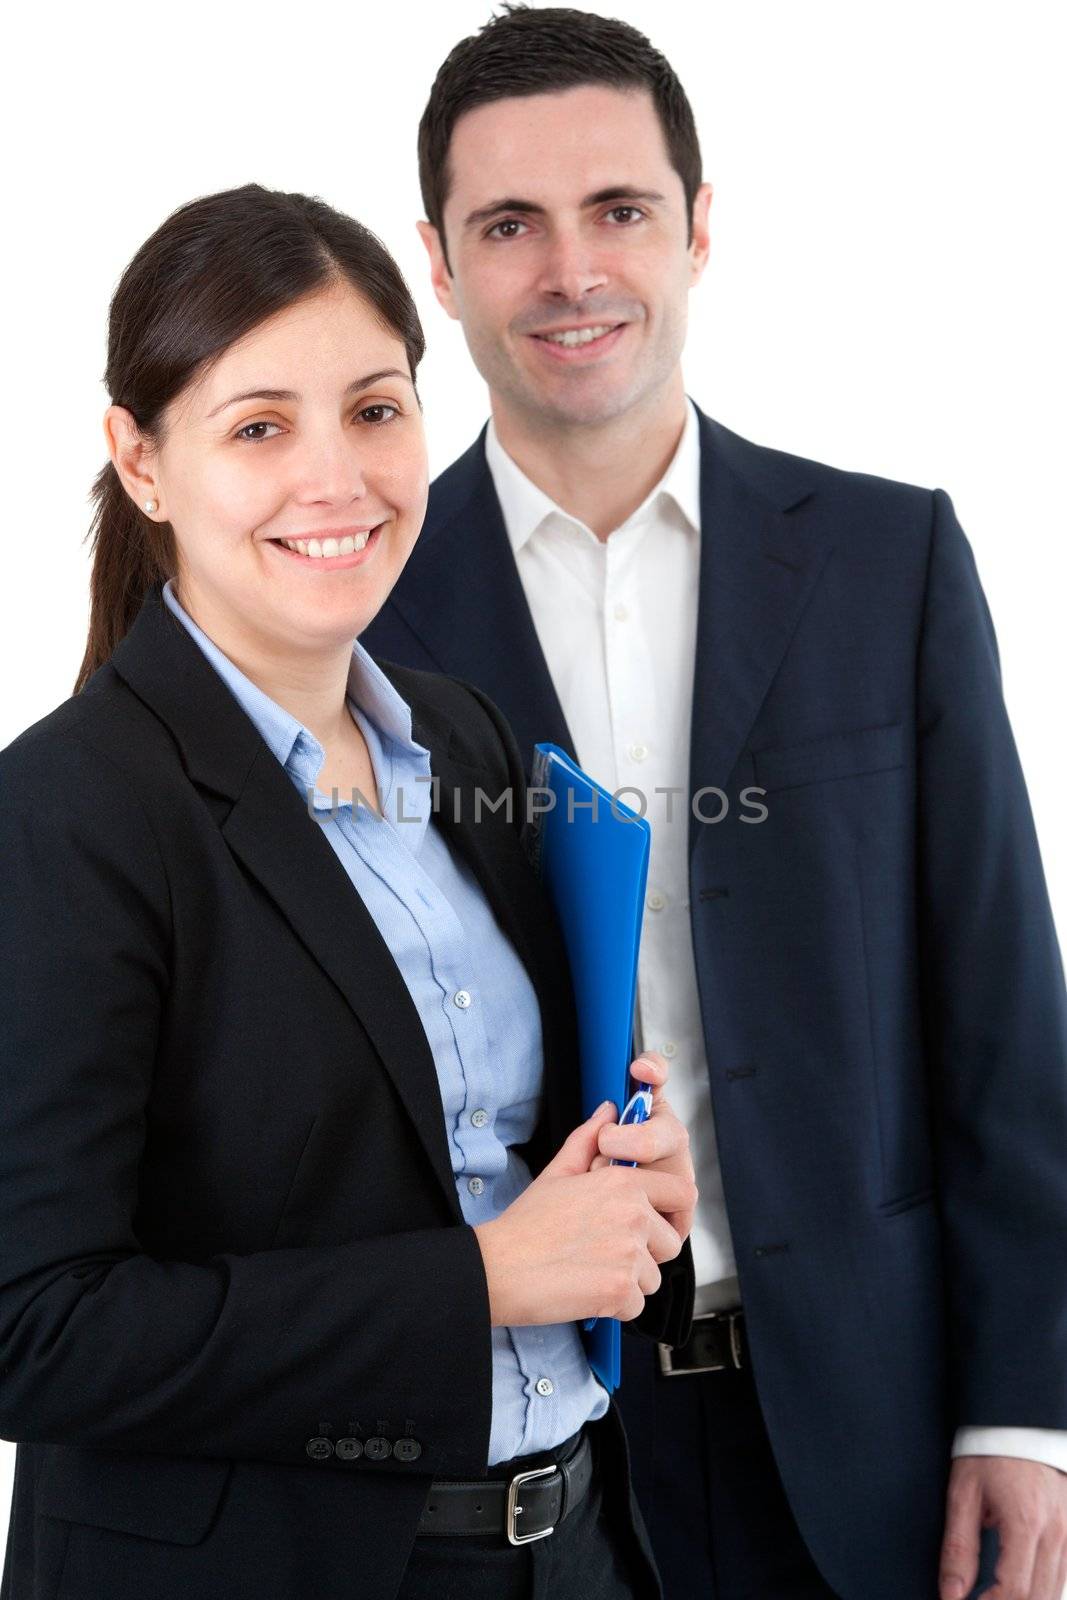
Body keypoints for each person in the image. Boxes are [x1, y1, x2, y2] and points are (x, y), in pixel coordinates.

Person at [359, 8, 1067, 1599]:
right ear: (440, 261)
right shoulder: (362, 619)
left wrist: (1026, 1409)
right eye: (508, 226)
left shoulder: (893, 566)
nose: (572, 271)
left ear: (698, 227)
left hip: (861, 1422)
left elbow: (1002, 1015)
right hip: (508, 1464)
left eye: (618, 210)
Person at [0, 182, 700, 1600]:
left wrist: (636, 1207)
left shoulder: (474, 740)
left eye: (376, 410)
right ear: (141, 462)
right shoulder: (67, 813)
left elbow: (526, 1163)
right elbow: (33, 1330)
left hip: (570, 1551)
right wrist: (485, 1281)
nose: (339, 479)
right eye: (260, 427)